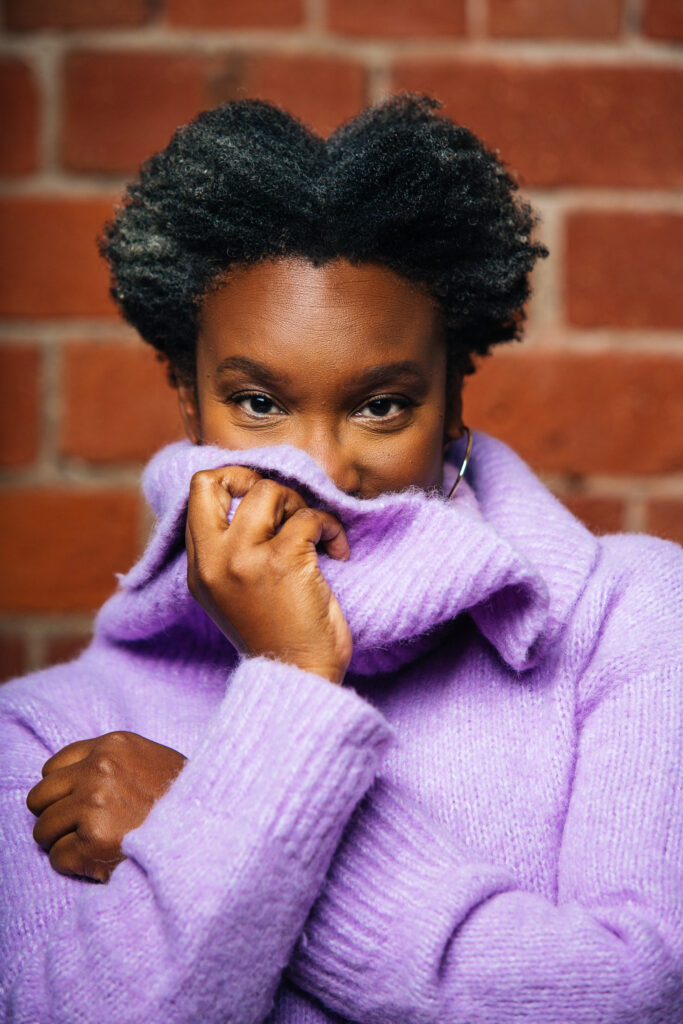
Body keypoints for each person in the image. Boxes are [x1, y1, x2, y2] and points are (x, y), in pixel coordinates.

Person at [0, 93, 681, 1024]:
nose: (316, 468)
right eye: (257, 402)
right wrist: (291, 682)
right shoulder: (46, 735)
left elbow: (632, 995)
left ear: (452, 400)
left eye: (381, 407)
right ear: (188, 401)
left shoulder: (624, 617)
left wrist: (209, 812)